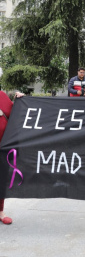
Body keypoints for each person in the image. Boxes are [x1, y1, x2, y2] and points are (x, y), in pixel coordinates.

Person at [0, 91, 24, 225]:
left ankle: (0, 211)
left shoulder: (2, 95)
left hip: (3, 146)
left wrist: (19, 101)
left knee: (2, 178)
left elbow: (13, 113)